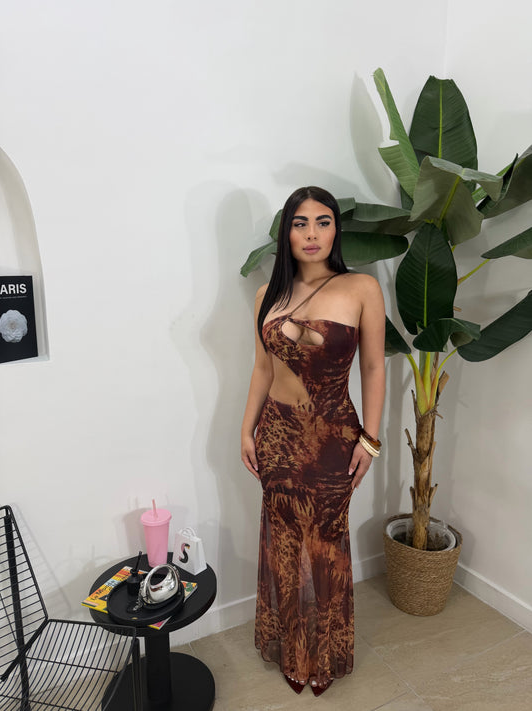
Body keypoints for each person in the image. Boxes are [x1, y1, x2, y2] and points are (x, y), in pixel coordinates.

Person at [241, 186, 385, 696]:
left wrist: (370, 440)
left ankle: (323, 653)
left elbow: (373, 367)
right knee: (284, 544)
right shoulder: (266, 295)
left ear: (336, 230)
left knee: (325, 546)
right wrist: (246, 429)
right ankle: (293, 648)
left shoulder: (361, 287)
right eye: (300, 223)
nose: (311, 233)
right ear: (286, 232)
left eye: (323, 222)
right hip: (277, 435)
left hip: (333, 438)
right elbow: (263, 368)